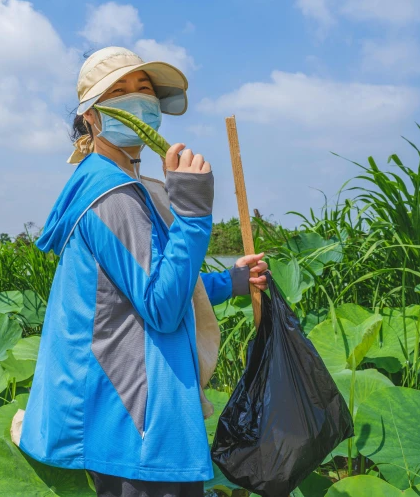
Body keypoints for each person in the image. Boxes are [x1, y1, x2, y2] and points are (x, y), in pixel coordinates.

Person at [19, 46, 269, 497]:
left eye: (145, 90)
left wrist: (231, 282)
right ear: (91, 117)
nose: (137, 101)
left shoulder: (121, 184)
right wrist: (192, 214)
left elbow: (150, 284)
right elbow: (161, 307)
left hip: (127, 416)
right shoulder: (111, 195)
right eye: (119, 91)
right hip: (130, 422)